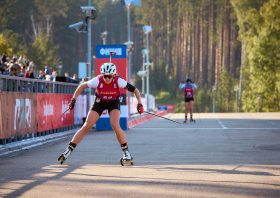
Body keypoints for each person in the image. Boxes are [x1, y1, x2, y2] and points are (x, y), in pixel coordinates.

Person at [58, 62, 144, 165]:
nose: (107, 78)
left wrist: (139, 104)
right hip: (100, 102)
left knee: (115, 124)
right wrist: (73, 100)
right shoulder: (97, 80)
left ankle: (126, 153)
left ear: (113, 75)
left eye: (109, 76)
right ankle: (68, 150)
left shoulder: (119, 81)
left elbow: (136, 91)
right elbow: (81, 86)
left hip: (113, 102)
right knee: (87, 126)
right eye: (105, 76)